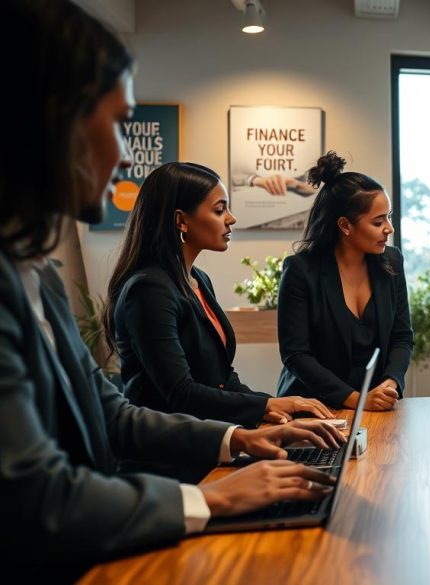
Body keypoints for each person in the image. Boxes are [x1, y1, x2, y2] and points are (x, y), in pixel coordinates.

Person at [0, 1, 343, 575]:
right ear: (49, 122)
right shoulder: (141, 288)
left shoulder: (40, 278)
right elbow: (35, 496)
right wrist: (209, 497)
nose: (128, 153)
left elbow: (113, 413)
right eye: (113, 122)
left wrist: (240, 436)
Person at [105, 162, 334, 431]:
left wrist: (280, 406)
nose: (231, 218)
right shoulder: (148, 290)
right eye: (219, 209)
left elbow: (223, 380)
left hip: (208, 438)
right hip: (169, 456)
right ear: (181, 220)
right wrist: (266, 407)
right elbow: (181, 393)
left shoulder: (198, 279)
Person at [276, 152, 413, 411]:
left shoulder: (392, 262)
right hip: (313, 409)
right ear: (345, 225)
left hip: (377, 406)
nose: (389, 228)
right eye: (378, 221)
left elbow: (402, 336)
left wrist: (391, 383)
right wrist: (355, 399)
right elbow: (296, 355)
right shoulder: (300, 270)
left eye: (389, 217)